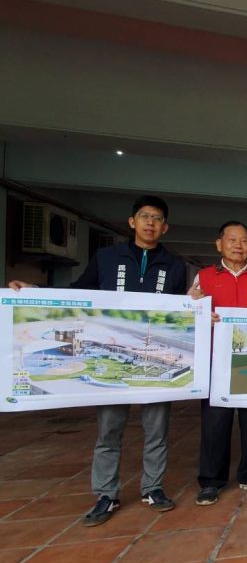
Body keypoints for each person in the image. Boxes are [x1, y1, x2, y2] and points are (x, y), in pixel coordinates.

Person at [9, 195, 188, 526]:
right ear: (132, 222)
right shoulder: (107, 258)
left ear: (165, 227)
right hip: (113, 358)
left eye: (157, 218)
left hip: (154, 361)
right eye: (145, 216)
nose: (150, 223)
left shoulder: (175, 265)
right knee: (109, 430)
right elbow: (79, 293)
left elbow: (183, 311)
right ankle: (106, 494)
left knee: (157, 430)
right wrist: (36, 290)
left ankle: (153, 488)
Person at [188, 221, 247, 505]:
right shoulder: (204, 277)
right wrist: (196, 309)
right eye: (232, 240)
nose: (238, 246)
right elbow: (189, 315)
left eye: (244, 240)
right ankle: (211, 481)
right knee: (215, 424)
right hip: (216, 362)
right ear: (219, 244)